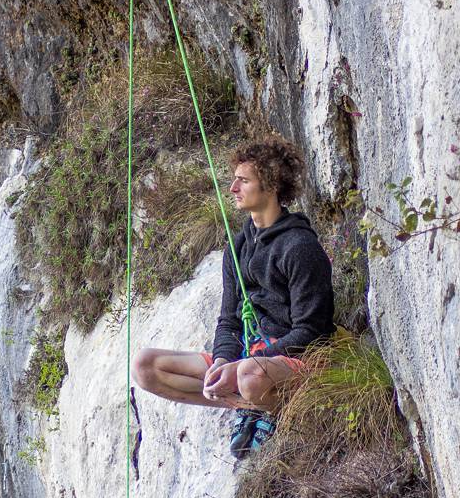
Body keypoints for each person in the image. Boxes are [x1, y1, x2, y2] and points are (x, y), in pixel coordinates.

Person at [132, 134, 335, 457]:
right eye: (234, 180)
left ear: (269, 185)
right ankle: (247, 404)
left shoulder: (300, 247)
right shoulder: (238, 246)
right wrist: (224, 361)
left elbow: (312, 332)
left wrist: (243, 365)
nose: (233, 189)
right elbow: (229, 319)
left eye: (243, 181)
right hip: (247, 359)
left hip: (294, 361)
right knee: (146, 367)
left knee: (249, 375)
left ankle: (271, 407)